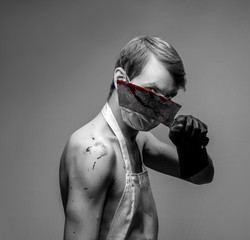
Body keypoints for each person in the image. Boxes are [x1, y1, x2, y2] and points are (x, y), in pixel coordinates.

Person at [59, 36, 214, 240]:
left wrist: (193, 149)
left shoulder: (139, 140)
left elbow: (202, 176)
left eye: (168, 98)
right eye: (152, 91)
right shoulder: (94, 152)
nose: (159, 106)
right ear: (121, 79)